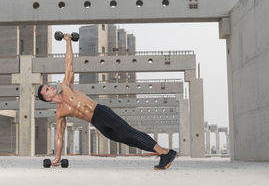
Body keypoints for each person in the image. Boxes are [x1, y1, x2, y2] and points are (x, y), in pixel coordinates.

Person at [37, 33, 177, 170]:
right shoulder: (60, 112)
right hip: (97, 123)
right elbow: (59, 136)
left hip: (101, 112)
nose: (49, 87)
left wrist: (68, 42)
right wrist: (57, 159)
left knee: (130, 132)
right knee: (128, 140)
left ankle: (166, 153)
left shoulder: (66, 87)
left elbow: (68, 63)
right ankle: (163, 152)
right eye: (46, 90)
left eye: (47, 86)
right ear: (47, 98)